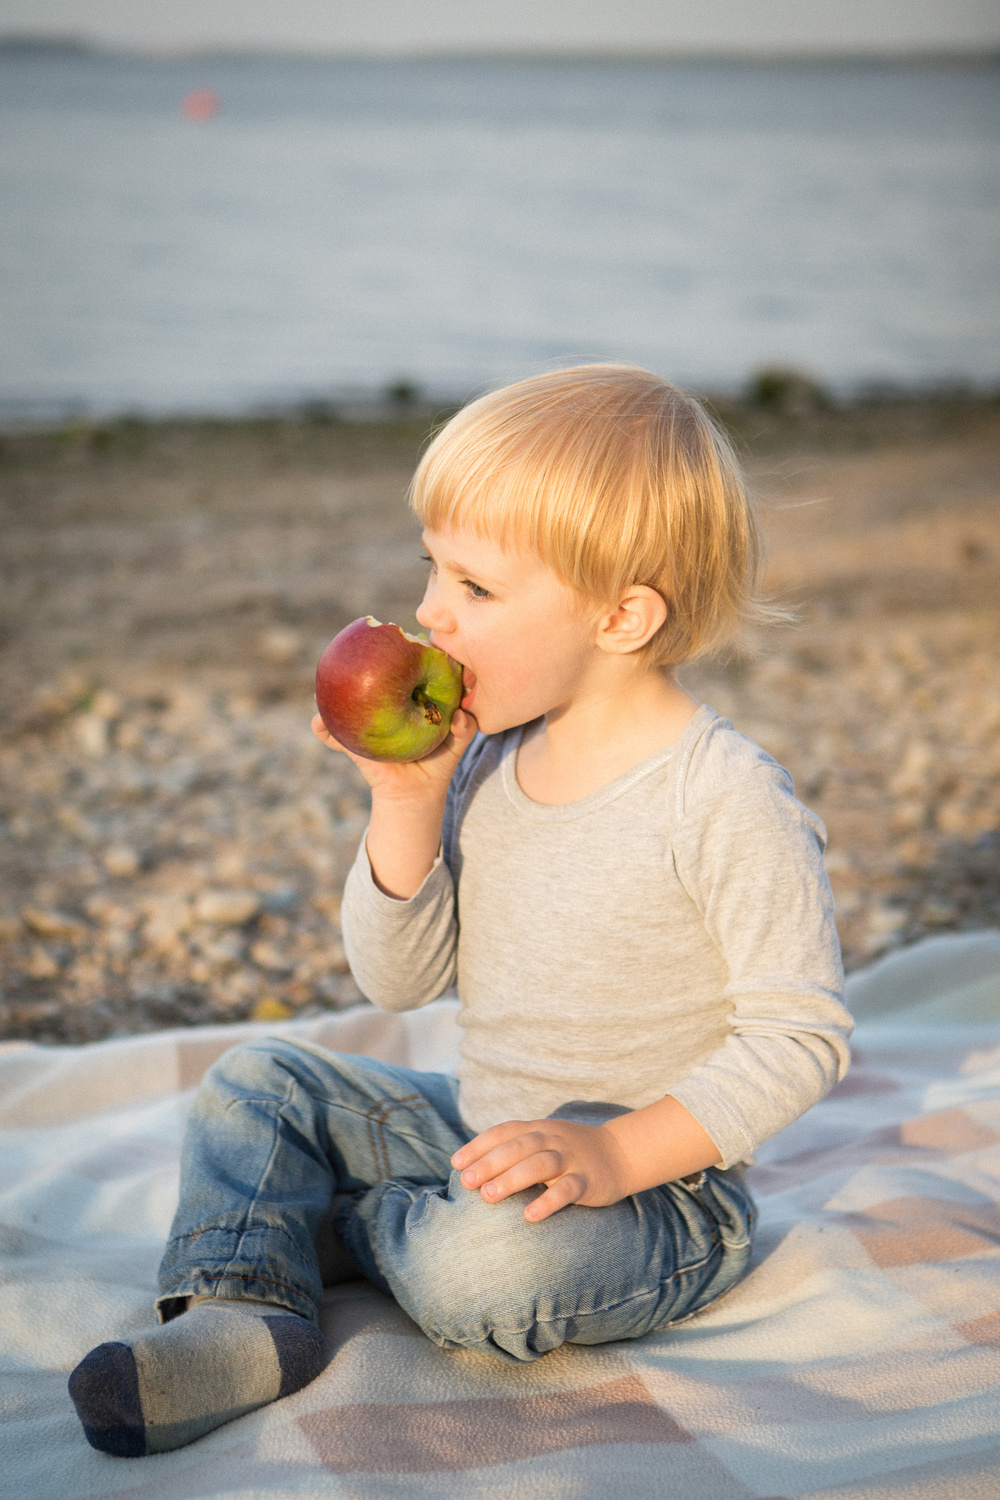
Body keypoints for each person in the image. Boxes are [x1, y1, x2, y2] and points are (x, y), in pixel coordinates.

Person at [69, 365, 851, 1457]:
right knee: (260, 1081)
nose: (430, 612)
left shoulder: (721, 797)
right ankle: (240, 1312)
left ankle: (323, 1227)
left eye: (475, 590)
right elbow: (397, 981)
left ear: (621, 616)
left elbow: (798, 1037)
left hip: (658, 1196)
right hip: (473, 1130)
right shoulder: (483, 754)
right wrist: (406, 798)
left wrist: (616, 1157)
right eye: (431, 567)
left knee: (485, 1269)